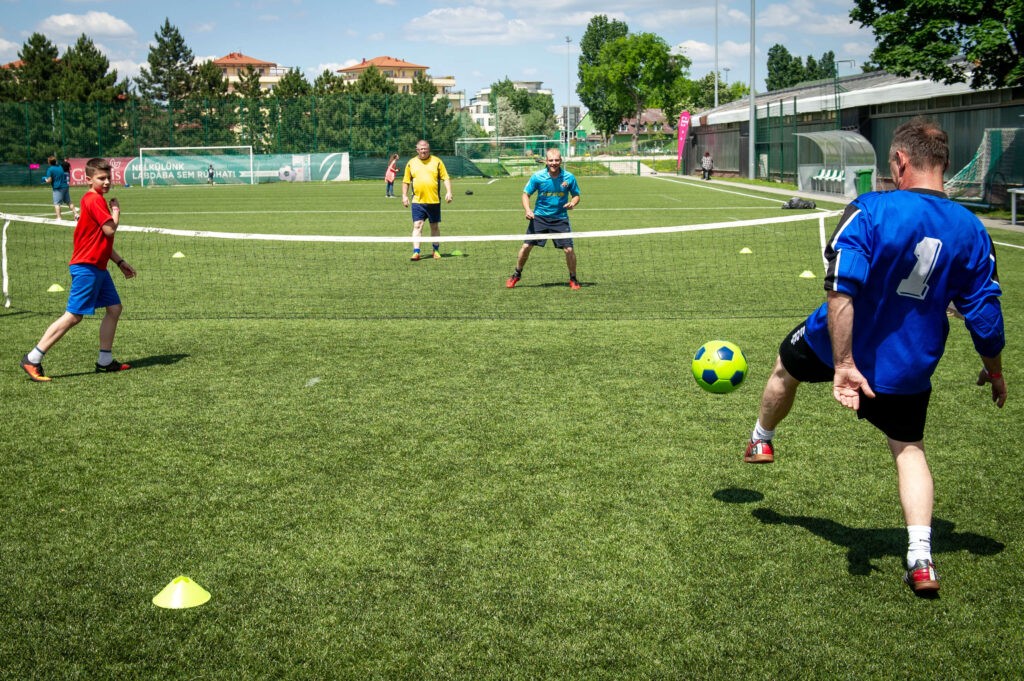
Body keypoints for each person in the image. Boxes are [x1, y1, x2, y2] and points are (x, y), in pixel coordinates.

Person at [743, 117, 1006, 595]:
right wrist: (996, 371)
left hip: (833, 345)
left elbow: (841, 288)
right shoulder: (972, 229)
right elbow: (984, 315)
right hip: (908, 365)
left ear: (900, 161)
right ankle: (921, 558)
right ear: (944, 164)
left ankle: (762, 438)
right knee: (909, 451)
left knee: (785, 366)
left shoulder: (870, 209)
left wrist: (844, 364)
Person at [20, 157, 137, 382]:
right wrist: (116, 210)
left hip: (98, 267)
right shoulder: (94, 200)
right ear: (88, 179)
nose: (106, 182)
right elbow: (110, 230)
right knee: (73, 316)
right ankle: (32, 358)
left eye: (108, 178)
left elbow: (101, 240)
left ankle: (105, 361)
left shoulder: (94, 199)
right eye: (101, 178)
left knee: (114, 308)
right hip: (87, 267)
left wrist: (120, 262)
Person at [505, 147, 581, 290]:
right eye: (551, 160)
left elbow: (576, 195)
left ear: (561, 160)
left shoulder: (569, 177)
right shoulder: (537, 177)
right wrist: (528, 210)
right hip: (539, 218)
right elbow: (526, 194)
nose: (554, 163)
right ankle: (516, 274)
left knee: (569, 250)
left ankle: (573, 278)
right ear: (546, 161)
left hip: (560, 218)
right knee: (526, 247)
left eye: (556, 160)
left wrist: (573, 203)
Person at [402, 140, 452, 260]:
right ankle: (416, 252)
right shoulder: (411, 163)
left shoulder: (437, 161)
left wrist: (449, 192)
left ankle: (436, 250)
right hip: (417, 201)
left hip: (434, 201)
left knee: (434, 226)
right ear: (417, 150)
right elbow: (406, 181)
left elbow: (445, 178)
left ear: (428, 149)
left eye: (425, 149)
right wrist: (404, 195)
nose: (423, 151)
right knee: (417, 225)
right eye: (421, 149)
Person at [43, 155, 75, 220]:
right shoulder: (60, 167)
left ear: (49, 162)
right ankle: (76, 214)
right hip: (65, 186)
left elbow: (49, 180)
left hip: (58, 188)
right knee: (68, 202)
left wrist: (45, 179)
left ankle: (59, 217)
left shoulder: (50, 169)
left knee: (57, 204)